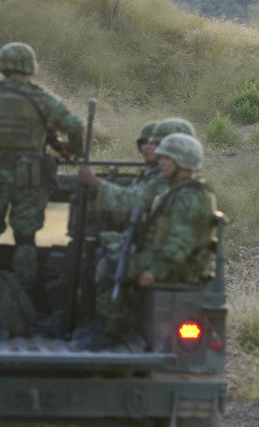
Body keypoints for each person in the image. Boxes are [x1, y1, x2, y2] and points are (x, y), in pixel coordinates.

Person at [75, 133, 218, 350]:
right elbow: (159, 228)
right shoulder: (176, 190)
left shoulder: (190, 196)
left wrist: (155, 271)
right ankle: (100, 322)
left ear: (183, 163)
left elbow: (180, 243)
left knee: (110, 265)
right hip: (169, 259)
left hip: (180, 266)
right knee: (105, 251)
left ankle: (110, 330)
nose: (161, 163)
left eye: (167, 159)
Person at [0, 42, 83, 288]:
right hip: (30, 178)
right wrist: (74, 151)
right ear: (31, 69)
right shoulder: (42, 99)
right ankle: (24, 292)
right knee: (26, 237)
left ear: (1, 68)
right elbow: (76, 126)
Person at [79, 118, 195, 217]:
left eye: (154, 144)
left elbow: (134, 200)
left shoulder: (169, 177)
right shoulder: (153, 172)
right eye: (143, 143)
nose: (147, 148)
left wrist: (95, 182)